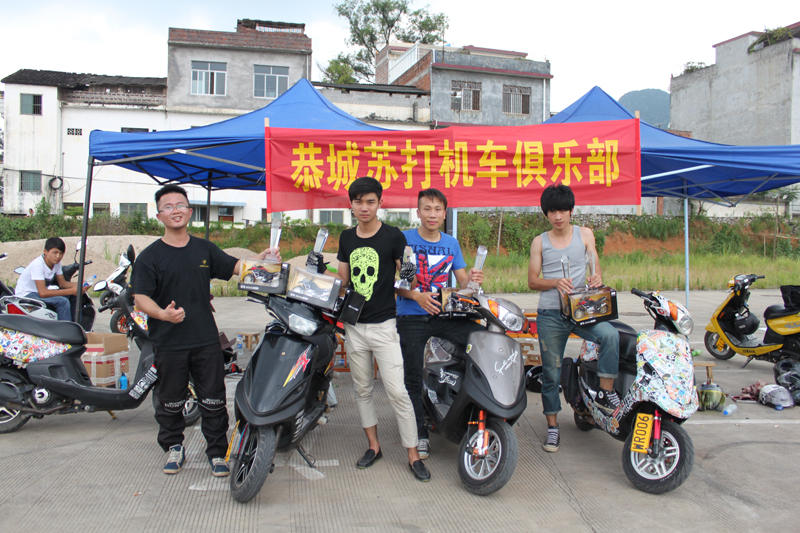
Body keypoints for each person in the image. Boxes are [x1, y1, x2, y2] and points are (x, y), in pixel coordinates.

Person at [132, 184, 279, 477]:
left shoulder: (203, 249)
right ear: (159, 215)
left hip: (205, 340)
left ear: (189, 210)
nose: (175, 210)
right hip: (169, 341)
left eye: (181, 205)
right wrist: (162, 314)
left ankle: (216, 451)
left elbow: (237, 267)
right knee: (170, 399)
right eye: (168, 206)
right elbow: (140, 297)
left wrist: (260, 259)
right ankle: (173, 446)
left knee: (212, 398)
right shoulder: (150, 257)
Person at [308, 176, 429, 481]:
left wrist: (411, 273)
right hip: (354, 326)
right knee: (362, 390)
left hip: (385, 326)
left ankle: (413, 454)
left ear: (380, 203)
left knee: (397, 392)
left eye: (370, 201)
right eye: (358, 201)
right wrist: (321, 269)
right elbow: (344, 281)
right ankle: (374, 447)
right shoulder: (347, 237)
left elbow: (408, 280)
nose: (364, 207)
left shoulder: (393, 236)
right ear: (351, 204)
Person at [527, 184, 619, 453]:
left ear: (571, 211)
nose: (558, 216)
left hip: (584, 309)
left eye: (563, 210)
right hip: (551, 314)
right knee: (551, 371)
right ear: (546, 214)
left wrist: (597, 277)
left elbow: (596, 265)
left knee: (610, 336)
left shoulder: (585, 234)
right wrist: (555, 282)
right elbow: (533, 281)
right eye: (553, 211)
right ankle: (553, 427)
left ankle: (604, 392)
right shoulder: (539, 241)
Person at [395, 189, 484, 460]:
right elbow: (400, 286)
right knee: (411, 375)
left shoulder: (451, 243)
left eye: (437, 209)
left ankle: (459, 407)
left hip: (445, 315)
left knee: (479, 339)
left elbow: (464, 285)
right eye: (427, 209)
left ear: (445, 214)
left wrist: (473, 280)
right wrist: (416, 295)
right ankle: (419, 432)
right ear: (418, 212)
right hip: (411, 316)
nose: (432, 214)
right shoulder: (406, 240)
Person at [15, 237, 88, 321]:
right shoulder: (38, 265)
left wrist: (81, 285)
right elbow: (43, 293)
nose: (58, 256)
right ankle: (65, 330)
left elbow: (63, 283)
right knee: (62, 302)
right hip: (27, 294)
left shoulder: (56, 263)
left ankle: (76, 325)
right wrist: (71, 290)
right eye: (55, 252)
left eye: (61, 253)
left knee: (75, 295)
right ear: (45, 252)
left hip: (38, 293)